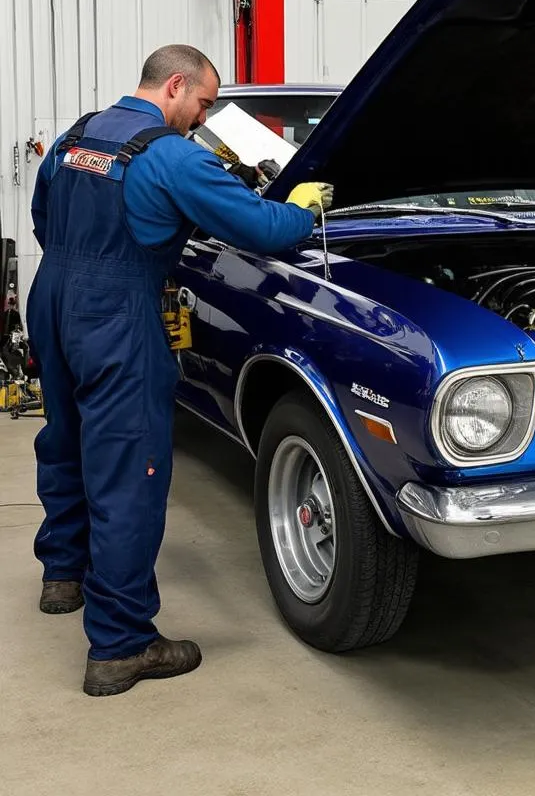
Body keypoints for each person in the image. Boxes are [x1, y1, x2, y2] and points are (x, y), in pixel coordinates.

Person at [27, 44, 333, 697]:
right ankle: (121, 645)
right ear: (174, 86)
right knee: (129, 473)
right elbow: (261, 227)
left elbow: (43, 220)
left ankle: (63, 577)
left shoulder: (75, 137)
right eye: (201, 102)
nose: (202, 117)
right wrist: (303, 208)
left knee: (65, 438)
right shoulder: (172, 156)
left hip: (54, 297)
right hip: (116, 312)